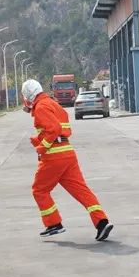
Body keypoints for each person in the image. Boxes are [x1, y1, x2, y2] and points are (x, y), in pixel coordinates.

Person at [22, 79, 113, 241]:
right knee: (81, 190)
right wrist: (38, 139)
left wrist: (41, 147)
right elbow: (58, 128)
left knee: (39, 190)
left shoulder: (41, 107)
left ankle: (54, 224)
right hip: (67, 153)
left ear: (28, 95)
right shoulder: (53, 104)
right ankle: (101, 222)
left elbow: (54, 129)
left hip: (54, 156)